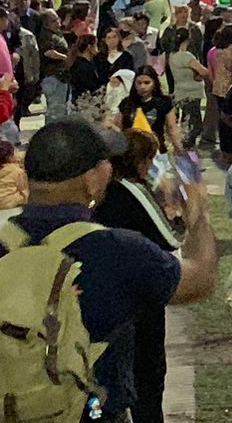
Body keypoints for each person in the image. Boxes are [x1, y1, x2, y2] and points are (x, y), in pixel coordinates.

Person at [4, 117, 217, 423]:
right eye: (106, 163)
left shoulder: (3, 242)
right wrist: (198, 214)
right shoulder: (117, 249)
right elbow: (201, 280)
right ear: (90, 180)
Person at [90, 129, 180, 423]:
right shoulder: (133, 192)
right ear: (140, 161)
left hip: (110, 300)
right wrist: (181, 208)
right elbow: (172, 239)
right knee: (147, 381)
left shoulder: (105, 195)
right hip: (141, 301)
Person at [118, 65, 181, 152]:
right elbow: (118, 128)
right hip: (130, 151)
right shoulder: (127, 103)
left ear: (154, 83)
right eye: (139, 83)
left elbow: (172, 128)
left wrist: (179, 148)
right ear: (134, 84)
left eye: (147, 83)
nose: (142, 87)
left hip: (156, 150)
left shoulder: (164, 102)